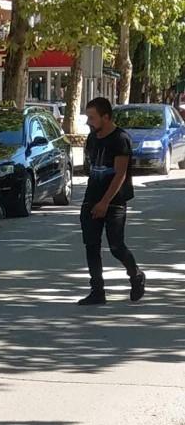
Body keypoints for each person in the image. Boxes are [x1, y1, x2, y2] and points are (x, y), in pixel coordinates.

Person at [78, 97, 145, 305]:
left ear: (106, 117)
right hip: (92, 198)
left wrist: (105, 202)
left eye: (92, 117)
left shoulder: (120, 139)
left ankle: (136, 276)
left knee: (116, 246)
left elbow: (120, 175)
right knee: (91, 245)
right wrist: (94, 200)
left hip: (114, 201)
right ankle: (97, 291)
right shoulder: (92, 138)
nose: (88, 122)